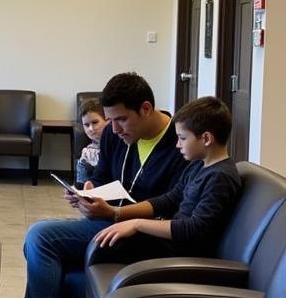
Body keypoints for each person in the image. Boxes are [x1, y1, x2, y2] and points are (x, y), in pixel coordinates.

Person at [0, 72, 189, 298]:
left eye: (121, 120)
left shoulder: (179, 143)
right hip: (108, 225)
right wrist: (88, 192)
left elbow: (171, 206)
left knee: (40, 237)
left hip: (143, 237)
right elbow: (102, 177)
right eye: (110, 121)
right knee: (44, 257)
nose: (113, 129)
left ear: (145, 109)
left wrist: (114, 212)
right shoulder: (116, 134)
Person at [92, 96, 241, 259]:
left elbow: (194, 228)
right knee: (105, 242)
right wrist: (118, 213)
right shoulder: (199, 165)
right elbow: (170, 199)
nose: (177, 145)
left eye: (183, 138)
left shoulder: (220, 177)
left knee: (106, 246)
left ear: (206, 138)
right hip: (171, 243)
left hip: (181, 254)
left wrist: (137, 224)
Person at [75, 97, 107, 186]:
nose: (91, 129)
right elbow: (81, 183)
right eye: (86, 125)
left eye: (95, 122)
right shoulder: (87, 152)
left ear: (107, 120)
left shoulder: (118, 145)